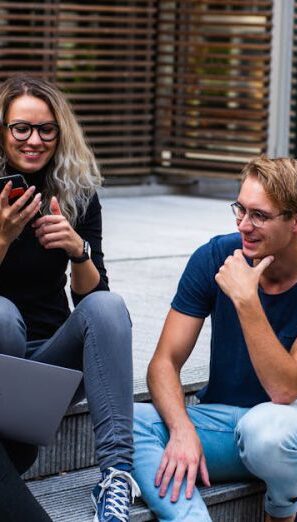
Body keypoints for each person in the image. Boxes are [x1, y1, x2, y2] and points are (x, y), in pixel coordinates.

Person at [133, 156, 297, 521]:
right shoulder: (214, 256)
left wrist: (246, 299)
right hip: (222, 421)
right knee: (129, 421)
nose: (243, 225)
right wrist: (180, 431)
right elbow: (164, 362)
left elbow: (285, 390)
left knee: (267, 430)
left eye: (259, 215)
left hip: (294, 427)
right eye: (240, 209)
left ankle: (283, 510)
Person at [0, 75, 140, 522]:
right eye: (21, 127)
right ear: (2, 129)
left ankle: (117, 477)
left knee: (109, 307)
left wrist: (77, 249)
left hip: (50, 363)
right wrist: (2, 237)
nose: (34, 140)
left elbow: (92, 299)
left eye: (46, 129)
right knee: (2, 316)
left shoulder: (75, 193)